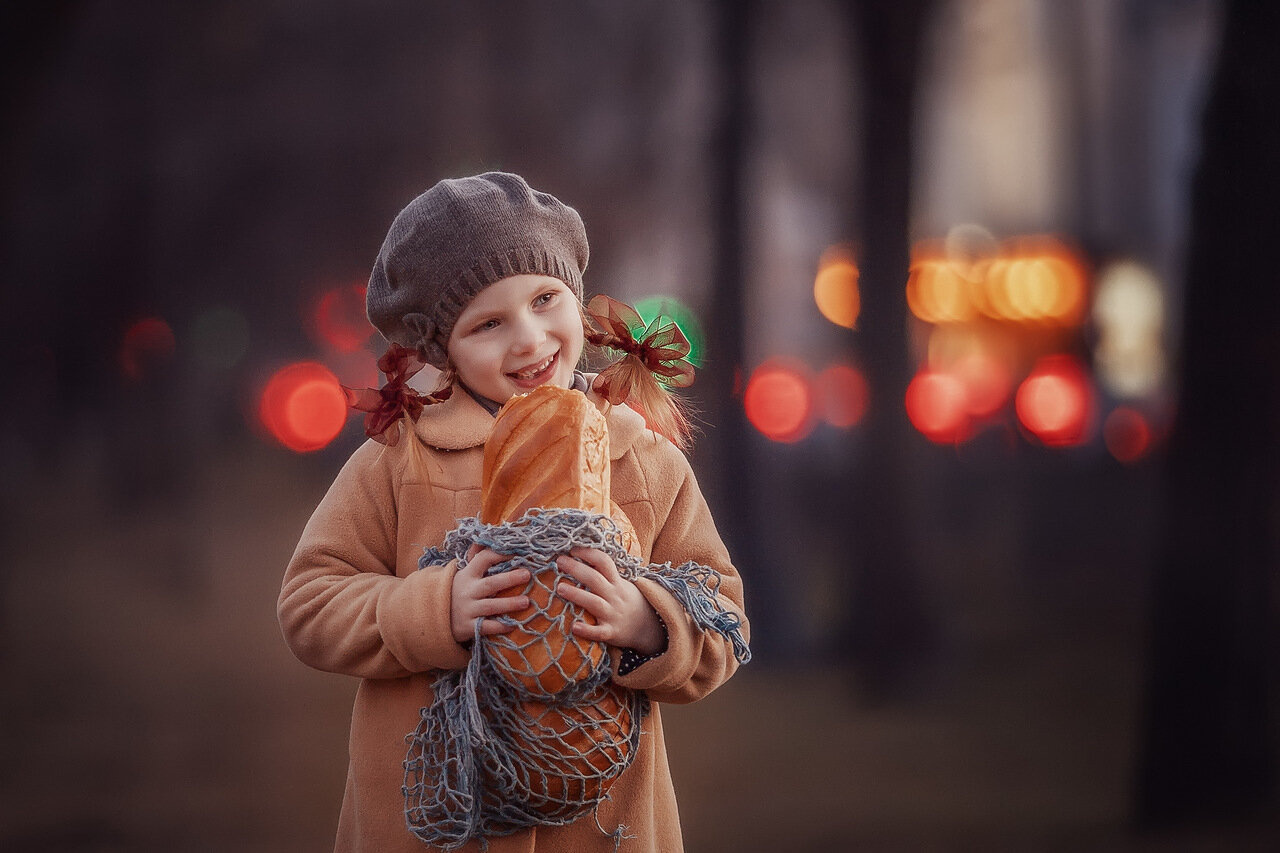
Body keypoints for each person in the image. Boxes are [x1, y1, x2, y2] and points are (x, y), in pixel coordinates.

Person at [278, 172, 749, 852]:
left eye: (544, 299)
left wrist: (648, 622)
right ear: (443, 348)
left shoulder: (641, 458)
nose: (529, 339)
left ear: (575, 297)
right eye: (489, 323)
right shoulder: (400, 460)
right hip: (430, 827)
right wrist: (434, 610)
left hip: (601, 829)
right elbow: (308, 603)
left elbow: (722, 613)